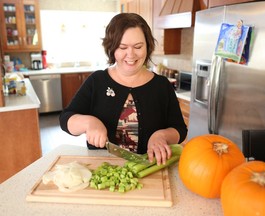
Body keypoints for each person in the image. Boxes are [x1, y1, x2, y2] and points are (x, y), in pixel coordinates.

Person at [59, 13, 187, 165]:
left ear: (148, 46)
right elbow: (65, 119)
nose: (131, 54)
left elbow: (180, 129)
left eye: (138, 46)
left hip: (150, 170)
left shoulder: (161, 85)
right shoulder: (97, 81)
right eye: (122, 47)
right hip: (103, 171)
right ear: (112, 48)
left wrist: (162, 136)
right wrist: (89, 122)